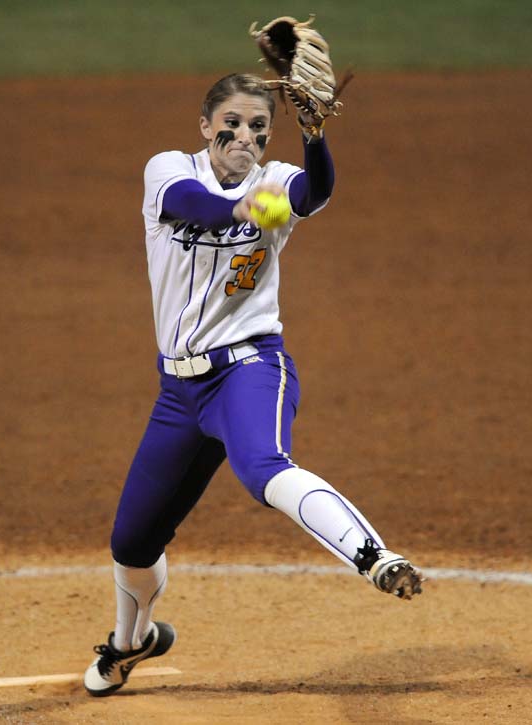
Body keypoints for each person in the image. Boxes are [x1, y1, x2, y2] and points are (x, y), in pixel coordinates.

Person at [84, 73, 423, 697]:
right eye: (233, 124)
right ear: (206, 125)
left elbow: (315, 192)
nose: (246, 137)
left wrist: (316, 135)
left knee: (262, 468)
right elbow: (196, 206)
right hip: (178, 394)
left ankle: (375, 558)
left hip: (249, 369)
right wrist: (240, 209)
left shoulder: (277, 181)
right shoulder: (167, 170)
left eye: (260, 128)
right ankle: (132, 643)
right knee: (131, 540)